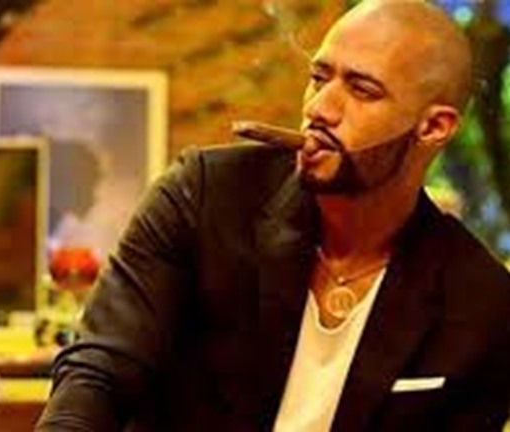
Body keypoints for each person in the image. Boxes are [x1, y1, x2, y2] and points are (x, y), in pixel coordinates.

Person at [36, 0, 510, 430]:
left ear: (433, 127)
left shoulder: (480, 301)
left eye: (362, 90)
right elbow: (98, 374)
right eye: (319, 78)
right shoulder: (204, 198)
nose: (319, 109)